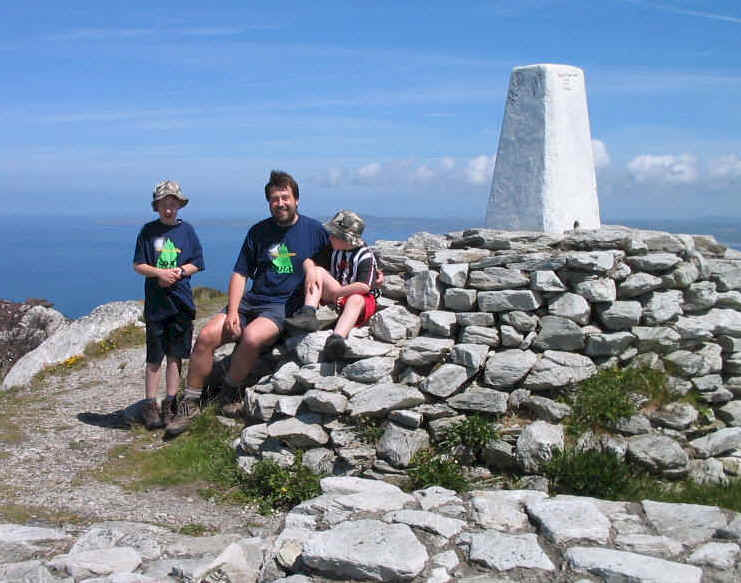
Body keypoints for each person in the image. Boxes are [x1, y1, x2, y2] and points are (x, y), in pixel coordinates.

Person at [164, 170, 328, 437]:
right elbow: (240, 273)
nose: (280, 203)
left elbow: (339, 261)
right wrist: (231, 311)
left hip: (283, 305)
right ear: (269, 203)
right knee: (206, 336)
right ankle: (190, 402)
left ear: (297, 199)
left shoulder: (314, 231)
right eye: (274, 199)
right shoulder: (258, 232)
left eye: (285, 197)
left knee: (251, 338)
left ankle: (228, 392)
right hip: (251, 301)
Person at [133, 180, 204, 430]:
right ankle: (150, 404)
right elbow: (138, 264)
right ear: (157, 206)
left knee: (176, 356)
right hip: (156, 305)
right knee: (154, 357)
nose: (169, 208)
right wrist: (159, 273)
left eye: (173, 204)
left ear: (179, 205)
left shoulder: (188, 231)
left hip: (181, 303)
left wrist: (181, 271)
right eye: (165, 204)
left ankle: (170, 403)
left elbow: (197, 262)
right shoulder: (147, 231)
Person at [286, 209, 378, 359]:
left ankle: (337, 338)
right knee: (317, 271)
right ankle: (308, 313)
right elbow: (309, 261)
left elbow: (364, 286)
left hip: (354, 296)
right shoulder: (333, 248)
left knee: (356, 299)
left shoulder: (365, 256)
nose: (330, 237)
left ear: (346, 239)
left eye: (335, 235)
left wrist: (339, 292)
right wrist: (310, 270)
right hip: (337, 293)